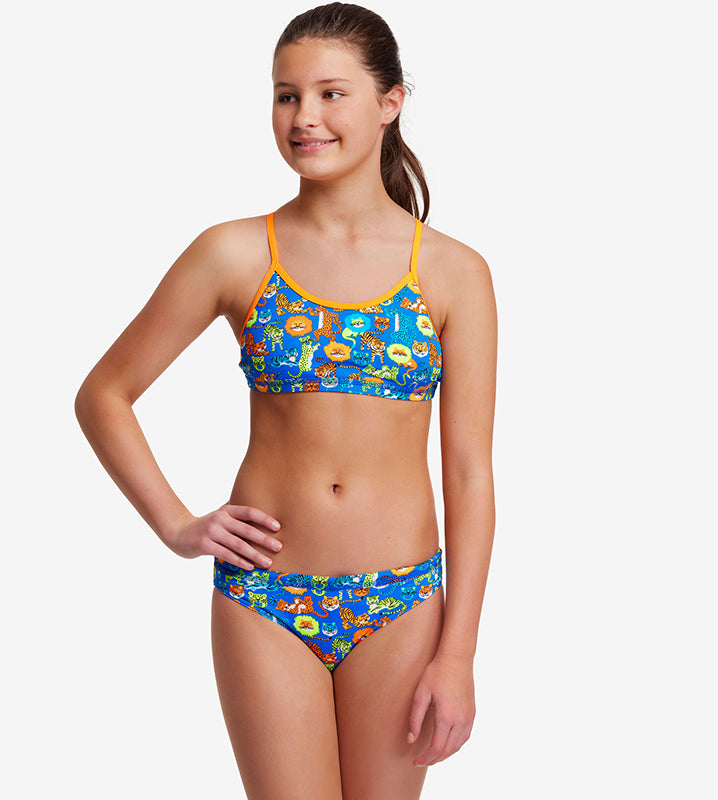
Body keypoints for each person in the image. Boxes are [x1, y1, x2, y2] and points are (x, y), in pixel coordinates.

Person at [74, 3, 497, 798]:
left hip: (401, 601)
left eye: (332, 94)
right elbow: (105, 394)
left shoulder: (453, 272)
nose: (305, 117)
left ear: (390, 102)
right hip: (264, 596)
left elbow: (470, 472)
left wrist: (459, 653)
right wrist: (176, 524)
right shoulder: (233, 252)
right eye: (286, 96)